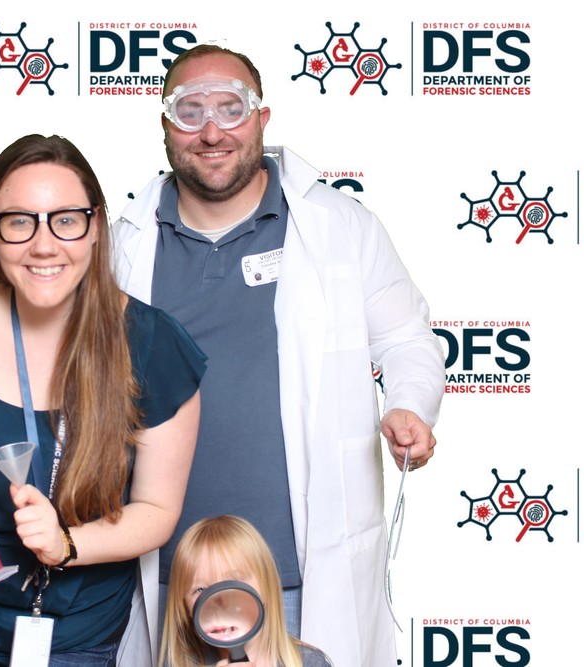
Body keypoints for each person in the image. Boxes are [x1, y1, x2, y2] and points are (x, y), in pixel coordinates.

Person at [112, 44, 445, 666]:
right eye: (190, 112)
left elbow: (406, 340)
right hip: (170, 576)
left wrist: (409, 406)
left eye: (230, 108)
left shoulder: (340, 225)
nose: (212, 132)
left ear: (262, 118)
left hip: (297, 577)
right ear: (165, 125)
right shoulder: (124, 241)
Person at [0, 134, 206, 666]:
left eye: (66, 220)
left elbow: (156, 512)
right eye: (19, 221)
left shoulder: (153, 347)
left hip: (75, 640)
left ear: (96, 226)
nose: (43, 245)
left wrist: (67, 544)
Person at [162, 516, 332, 667]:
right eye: (201, 589)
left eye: (234, 582)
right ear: (184, 607)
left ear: (267, 587)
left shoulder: (311, 662)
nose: (220, 601)